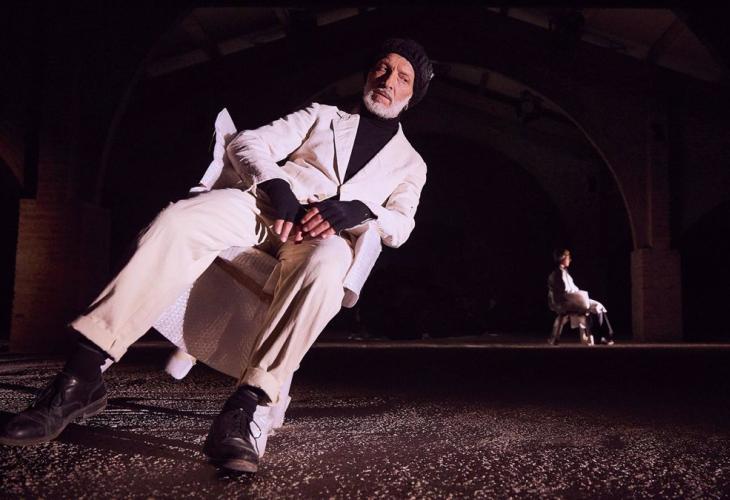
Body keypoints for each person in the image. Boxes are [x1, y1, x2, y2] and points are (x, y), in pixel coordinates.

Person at [0, 38, 433, 474]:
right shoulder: (322, 116)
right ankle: (82, 374)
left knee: (329, 268)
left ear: (412, 95)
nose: (388, 81)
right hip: (266, 208)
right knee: (178, 220)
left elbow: (401, 226)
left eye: (403, 77)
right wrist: (278, 187)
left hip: (325, 238)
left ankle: (247, 406)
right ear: (368, 73)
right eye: (382, 68)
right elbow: (248, 142)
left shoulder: (411, 164)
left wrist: (360, 211)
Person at [547, 248, 615, 345]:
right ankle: (601, 337)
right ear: (562, 258)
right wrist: (580, 295)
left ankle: (601, 336)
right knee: (597, 307)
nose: (570, 260)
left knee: (598, 306)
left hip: (572, 300)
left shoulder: (563, 273)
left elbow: (571, 289)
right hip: (570, 301)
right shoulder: (558, 274)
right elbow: (565, 292)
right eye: (568, 257)